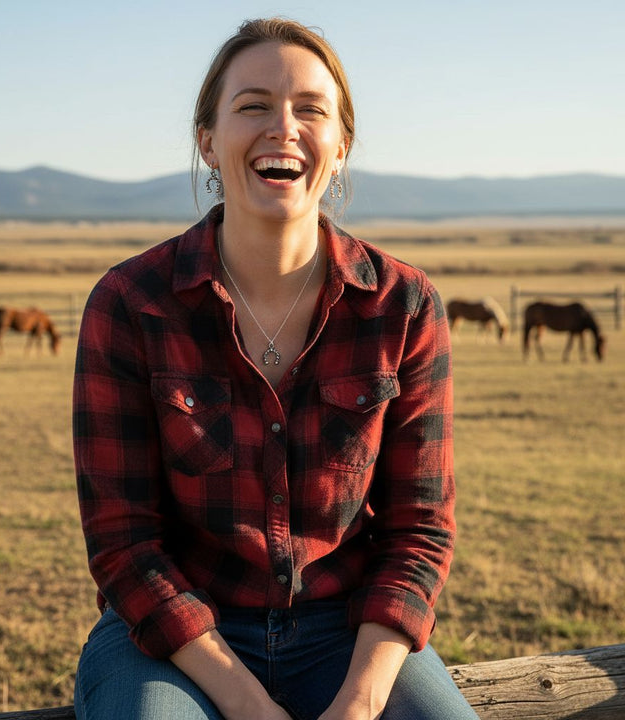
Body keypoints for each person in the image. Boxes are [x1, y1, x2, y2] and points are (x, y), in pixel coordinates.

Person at [73, 17, 478, 720]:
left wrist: (359, 703)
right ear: (207, 140)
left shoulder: (404, 305)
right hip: (173, 642)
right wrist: (250, 706)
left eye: (311, 110)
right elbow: (123, 542)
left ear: (341, 147)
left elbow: (420, 530)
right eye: (253, 105)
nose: (283, 127)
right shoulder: (130, 304)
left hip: (347, 633)